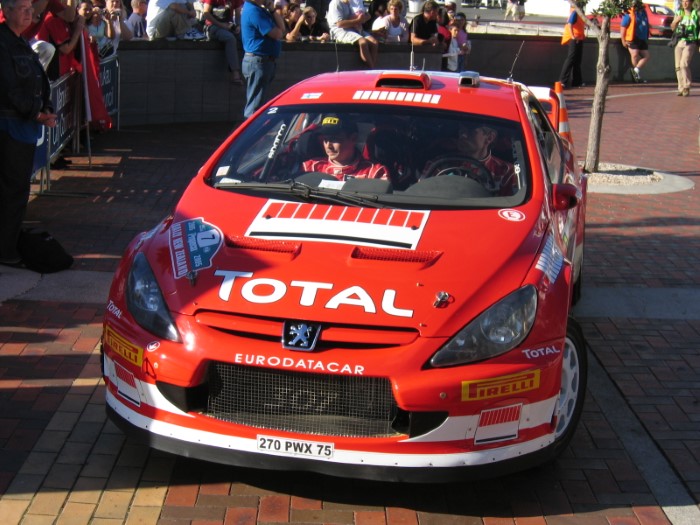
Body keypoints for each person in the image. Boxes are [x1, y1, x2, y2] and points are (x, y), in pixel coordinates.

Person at [0, 0, 58, 268]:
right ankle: (6, 251)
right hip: (10, 128)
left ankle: (8, 247)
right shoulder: (4, 44)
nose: (29, 13)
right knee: (12, 191)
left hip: (23, 127)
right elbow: (8, 89)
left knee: (16, 190)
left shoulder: (21, 42)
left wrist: (46, 108)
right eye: (22, 8)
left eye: (30, 8)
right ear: (7, 10)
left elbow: (38, 80)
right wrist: (37, 113)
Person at [423, 122, 515, 196]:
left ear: (490, 138)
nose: (463, 135)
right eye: (461, 130)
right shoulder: (437, 165)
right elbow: (422, 195)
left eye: (471, 131)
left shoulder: (506, 172)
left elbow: (509, 209)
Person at [302, 114, 388, 181]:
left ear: (353, 138)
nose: (328, 146)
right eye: (325, 140)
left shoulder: (374, 172)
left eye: (335, 139)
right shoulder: (310, 167)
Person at [240, 0, 285, 119]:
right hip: (258, 62)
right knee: (254, 107)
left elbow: (282, 28)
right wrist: (279, 30)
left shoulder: (260, 10)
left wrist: (272, 10)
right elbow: (277, 34)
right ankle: (250, 130)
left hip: (263, 61)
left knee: (258, 104)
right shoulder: (254, 11)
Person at [0, 0, 76, 69]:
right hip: (6, 37)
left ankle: (34, 78)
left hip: (26, 40)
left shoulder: (50, 2)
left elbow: (69, 17)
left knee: (47, 49)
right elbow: (29, 14)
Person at [36, 8, 86, 80]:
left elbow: (72, 45)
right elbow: (66, 49)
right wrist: (78, 29)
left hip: (64, 73)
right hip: (54, 75)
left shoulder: (63, 19)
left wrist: (74, 27)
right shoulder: (53, 19)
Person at [201, 0, 243, 84]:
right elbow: (206, 13)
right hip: (213, 26)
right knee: (230, 38)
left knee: (245, 36)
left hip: (229, 25)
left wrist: (238, 25)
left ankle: (248, 69)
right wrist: (221, 25)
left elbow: (238, 13)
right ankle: (235, 73)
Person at [327, 0, 378, 69]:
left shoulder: (350, 3)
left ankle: (372, 66)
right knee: (363, 42)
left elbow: (367, 15)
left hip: (354, 27)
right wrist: (358, 20)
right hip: (340, 31)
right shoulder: (335, 3)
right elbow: (339, 24)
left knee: (374, 42)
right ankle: (372, 68)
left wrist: (362, 18)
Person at [671, 0, 698, 97]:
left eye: (687, 1)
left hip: (690, 42)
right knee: (678, 66)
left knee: (684, 64)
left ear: (691, 2)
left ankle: (687, 86)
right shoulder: (679, 13)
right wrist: (676, 21)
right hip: (679, 41)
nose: (684, 3)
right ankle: (681, 88)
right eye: (683, 1)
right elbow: (672, 28)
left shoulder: (696, 14)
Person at [620, 0, 650, 83]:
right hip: (632, 38)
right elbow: (623, 26)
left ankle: (636, 70)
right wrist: (623, 39)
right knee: (635, 54)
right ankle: (636, 76)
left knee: (646, 56)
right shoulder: (630, 13)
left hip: (642, 38)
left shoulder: (643, 12)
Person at [559, 1, 586, 89]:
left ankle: (577, 81)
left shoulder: (579, 13)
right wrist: (572, 36)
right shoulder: (575, 12)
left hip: (579, 38)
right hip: (574, 38)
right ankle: (562, 81)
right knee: (571, 58)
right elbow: (570, 23)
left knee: (577, 60)